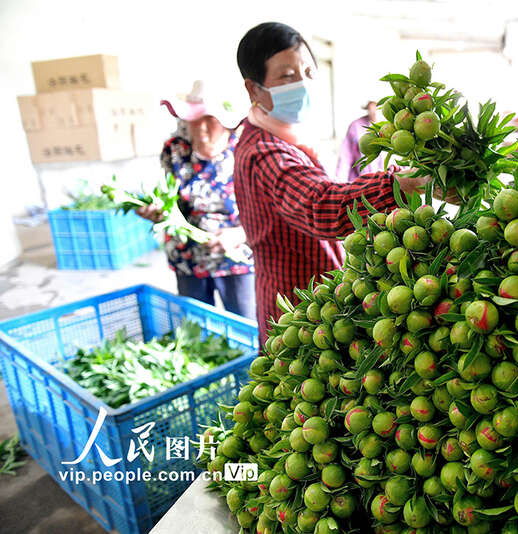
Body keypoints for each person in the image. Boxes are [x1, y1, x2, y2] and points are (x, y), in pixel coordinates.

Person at [233, 22, 431, 345]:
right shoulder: (263, 153)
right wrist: (401, 185)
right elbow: (320, 204)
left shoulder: (289, 140)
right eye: (287, 76)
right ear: (254, 90)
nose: (303, 83)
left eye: (309, 73)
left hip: (323, 311)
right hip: (296, 321)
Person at [137, 80, 256, 320]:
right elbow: (168, 196)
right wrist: (158, 210)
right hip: (188, 258)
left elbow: (268, 211)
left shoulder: (247, 149)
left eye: (209, 121)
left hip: (237, 259)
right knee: (198, 329)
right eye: (194, 120)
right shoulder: (175, 149)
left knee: (246, 325)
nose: (200, 129)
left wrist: (239, 234)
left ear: (227, 124)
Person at [336, 100, 385, 182]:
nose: (374, 110)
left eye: (377, 105)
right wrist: (339, 183)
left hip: (385, 183)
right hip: (361, 183)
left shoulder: (391, 126)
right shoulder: (356, 126)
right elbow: (345, 159)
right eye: (372, 105)